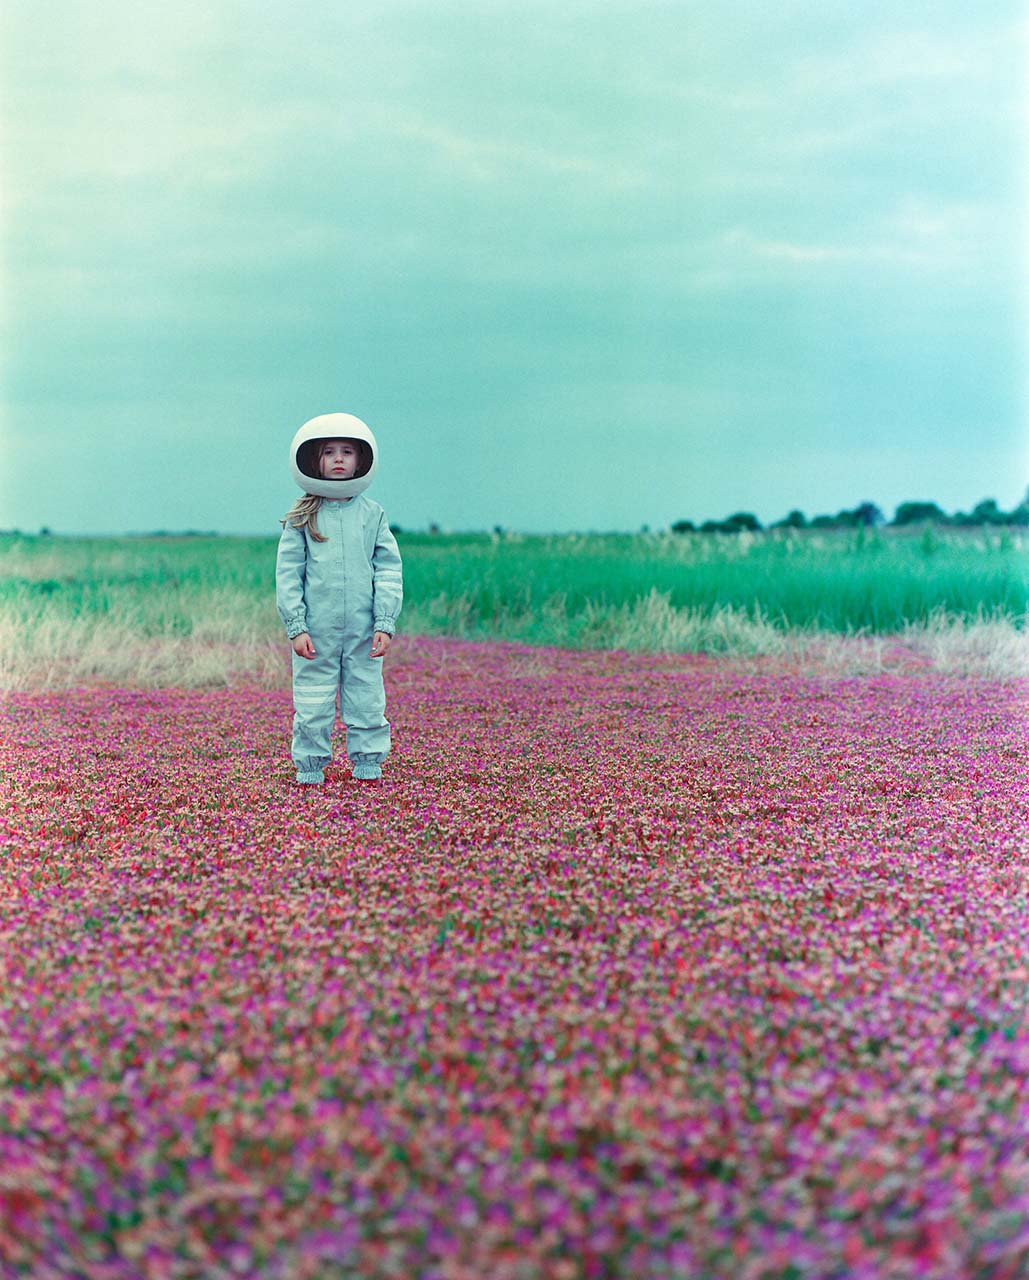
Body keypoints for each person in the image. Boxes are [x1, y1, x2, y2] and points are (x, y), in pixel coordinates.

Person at [276, 412, 403, 784]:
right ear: (314, 459)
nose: (338, 459)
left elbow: (389, 570)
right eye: (329, 451)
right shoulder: (302, 515)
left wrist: (385, 622)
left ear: (362, 460)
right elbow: (288, 575)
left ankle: (368, 760)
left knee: (366, 696)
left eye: (347, 451)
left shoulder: (373, 515)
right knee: (313, 700)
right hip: (316, 632)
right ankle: (311, 764)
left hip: (364, 630)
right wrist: (295, 626)